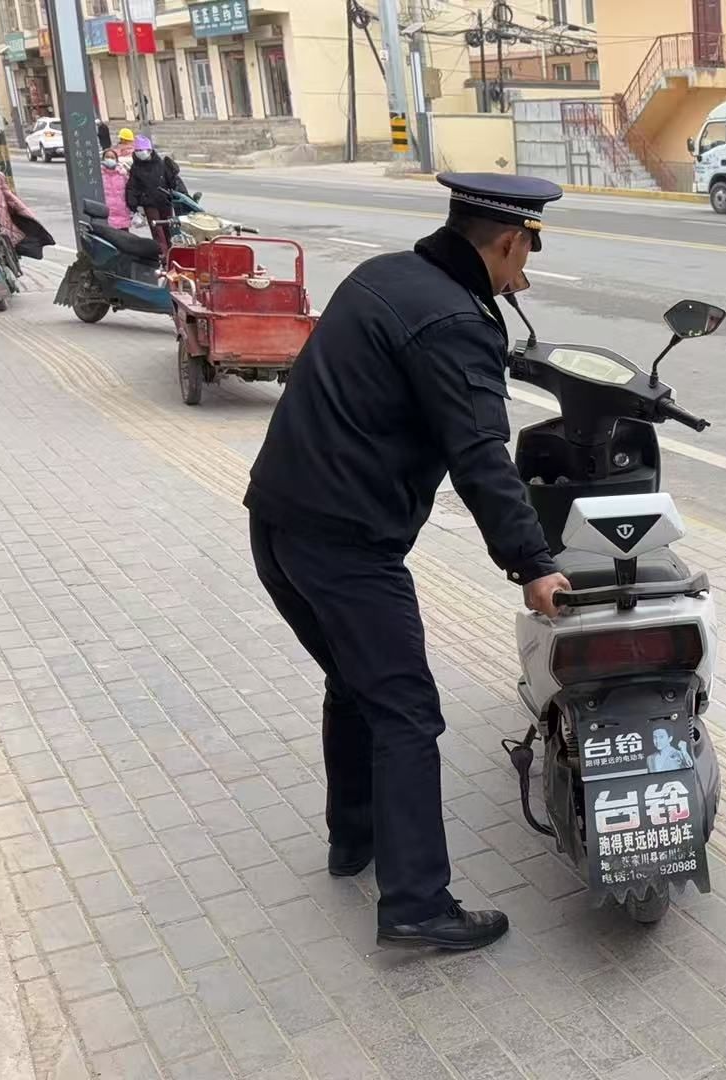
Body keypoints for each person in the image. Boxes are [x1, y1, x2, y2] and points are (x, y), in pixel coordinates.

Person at [245, 173, 571, 951]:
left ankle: (352, 838)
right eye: (526, 254)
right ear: (508, 240)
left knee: (354, 684)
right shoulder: (457, 320)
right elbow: (481, 457)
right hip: (347, 547)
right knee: (407, 713)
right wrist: (533, 563)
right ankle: (418, 905)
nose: (524, 273)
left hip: (276, 522)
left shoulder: (385, 275)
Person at [125, 135, 184, 241]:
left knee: (169, 230)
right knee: (157, 232)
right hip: (149, 204)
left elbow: (173, 181)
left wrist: (179, 193)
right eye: (137, 150)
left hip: (165, 202)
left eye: (142, 150)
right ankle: (162, 250)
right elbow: (132, 187)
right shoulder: (135, 168)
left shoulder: (161, 164)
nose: (140, 152)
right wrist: (134, 206)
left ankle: (170, 249)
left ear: (149, 150)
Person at [100, 149, 133, 230]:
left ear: (116, 159)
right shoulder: (99, 175)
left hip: (122, 212)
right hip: (106, 213)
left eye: (112, 157)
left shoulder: (123, 174)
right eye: (107, 157)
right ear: (103, 159)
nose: (109, 159)